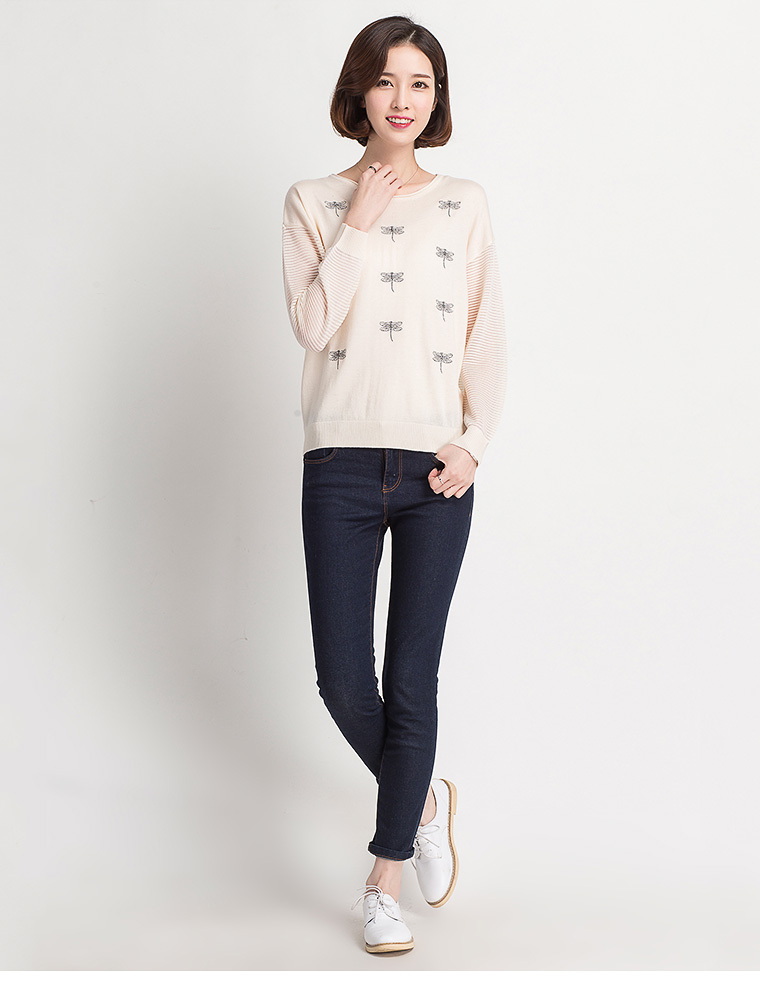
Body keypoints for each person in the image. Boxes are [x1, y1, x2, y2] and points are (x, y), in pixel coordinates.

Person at [280, 14, 507, 954]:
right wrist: (360, 224)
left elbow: (485, 335)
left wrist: (474, 442)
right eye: (386, 81)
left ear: (436, 97)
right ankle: (421, 804)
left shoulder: (465, 202)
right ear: (359, 92)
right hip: (337, 463)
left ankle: (383, 879)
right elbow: (313, 324)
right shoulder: (311, 201)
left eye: (421, 83)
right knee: (343, 680)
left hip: (435, 470)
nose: (403, 100)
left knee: (412, 678)